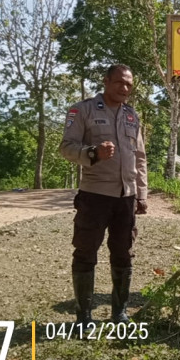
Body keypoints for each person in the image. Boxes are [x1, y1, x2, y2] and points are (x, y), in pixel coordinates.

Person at [59, 64, 148, 327]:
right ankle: (84, 316)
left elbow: (140, 157)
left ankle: (119, 313)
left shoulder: (132, 116)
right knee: (86, 252)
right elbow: (66, 147)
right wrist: (93, 153)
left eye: (129, 84)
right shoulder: (83, 110)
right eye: (119, 82)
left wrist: (141, 193)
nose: (125, 88)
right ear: (106, 81)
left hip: (126, 197)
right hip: (95, 195)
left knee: (123, 253)